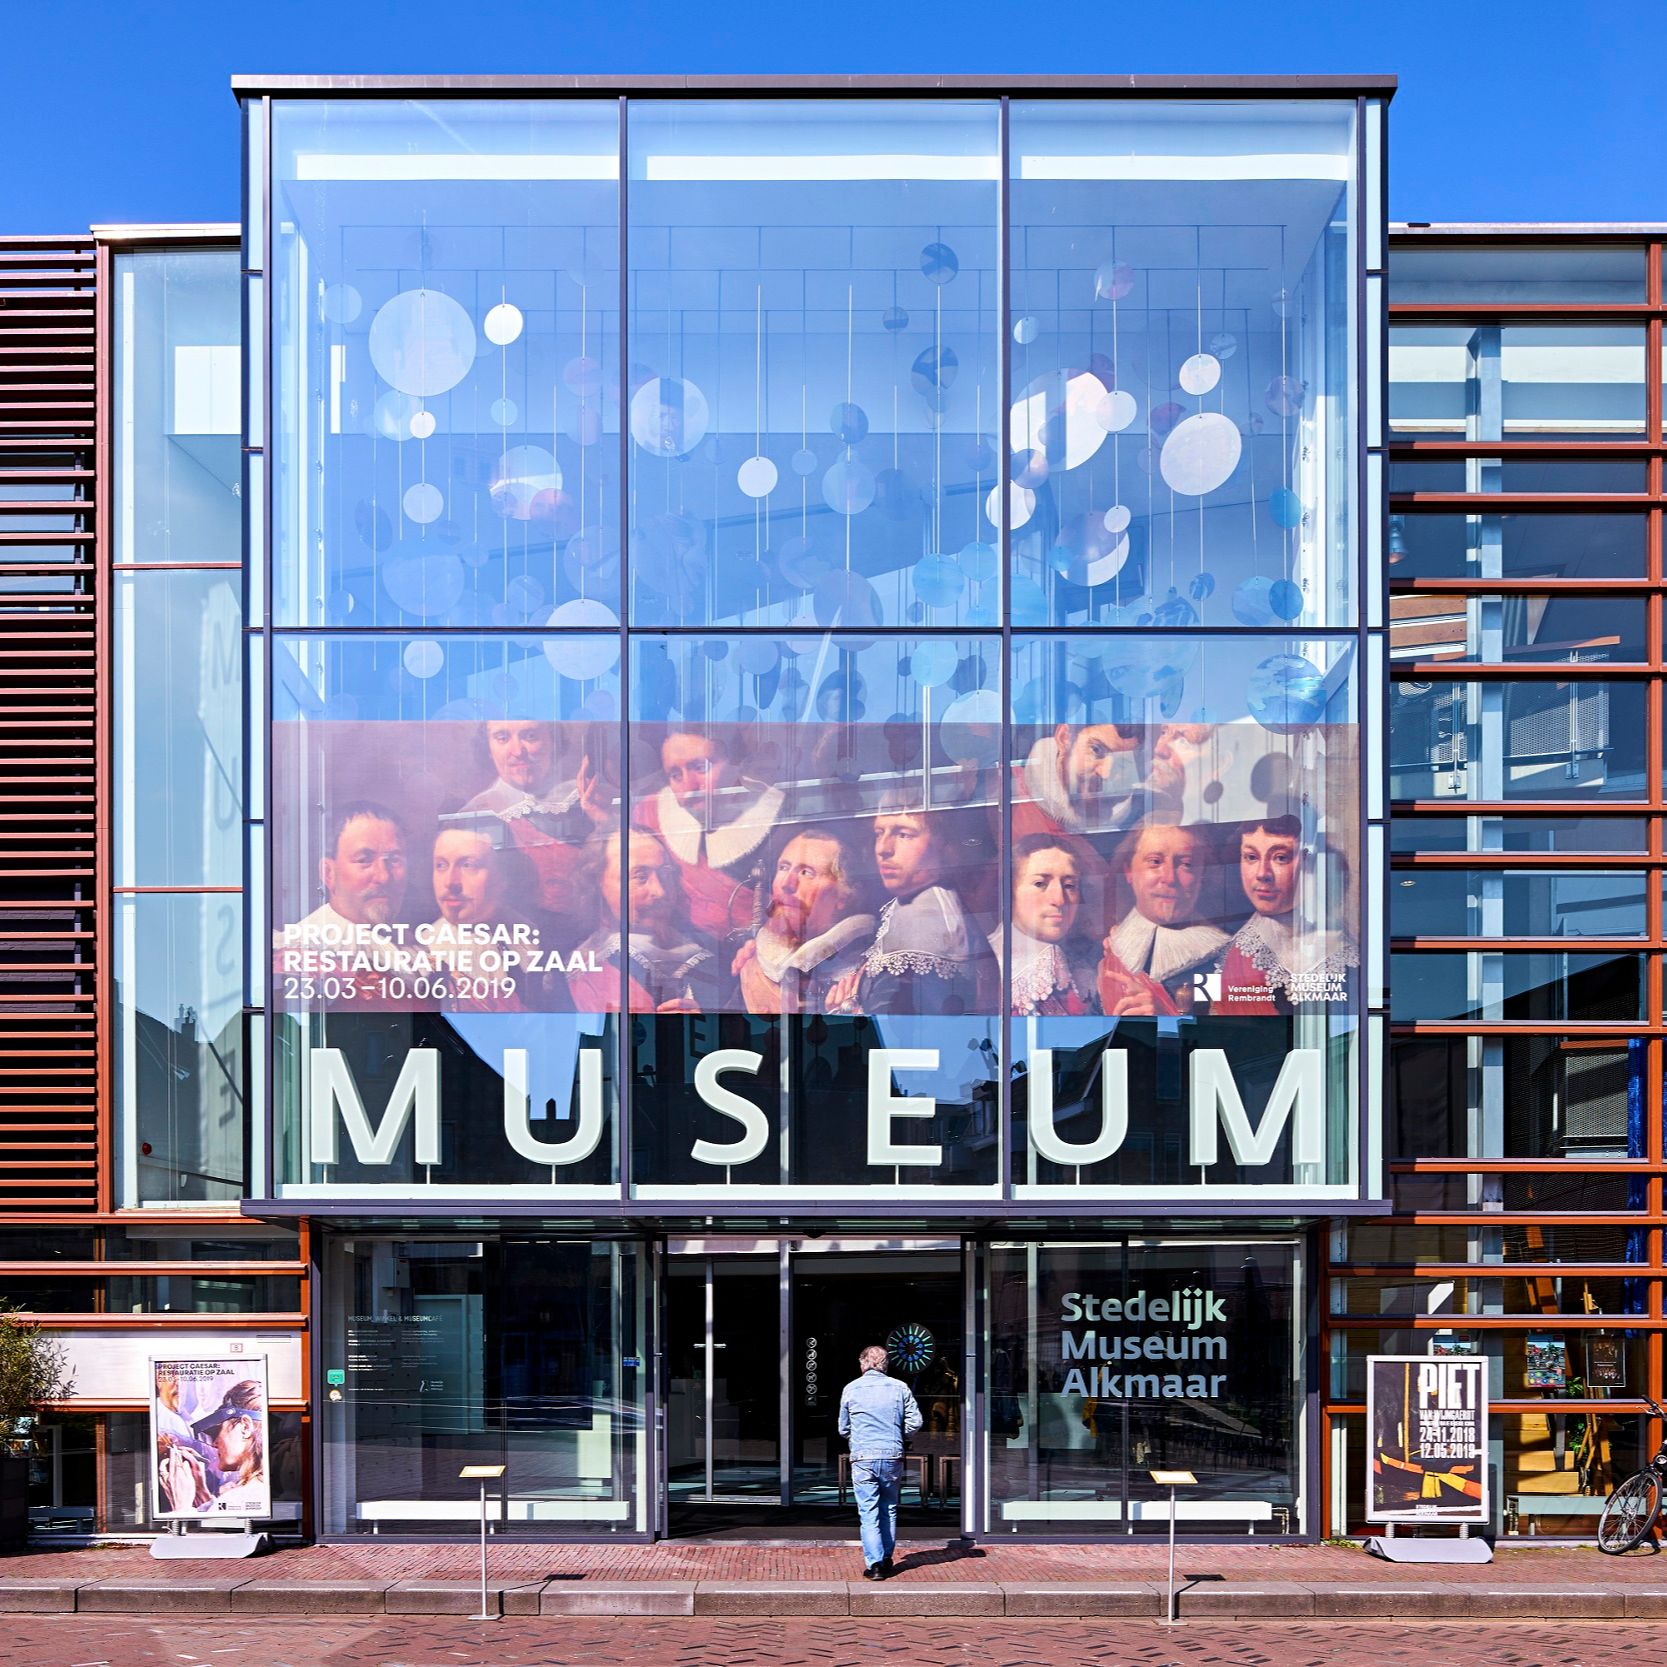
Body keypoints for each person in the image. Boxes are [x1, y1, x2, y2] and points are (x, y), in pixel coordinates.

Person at [828, 806, 996, 1017]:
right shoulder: (913, 904)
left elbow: (903, 1031)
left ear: (944, 846)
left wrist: (846, 1010)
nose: (883, 848)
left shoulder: (925, 912)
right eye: (879, 833)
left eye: (904, 834)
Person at [632, 729, 783, 944]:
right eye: (675, 775)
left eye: (701, 768)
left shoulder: (783, 822)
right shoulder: (649, 815)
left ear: (736, 763)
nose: (689, 787)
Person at [463, 718, 608, 939]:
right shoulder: (473, 816)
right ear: (488, 748)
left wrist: (604, 822)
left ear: (553, 740)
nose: (517, 751)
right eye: (502, 738)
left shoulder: (588, 798)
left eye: (530, 736)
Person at [564, 829, 730, 1013]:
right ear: (597, 884)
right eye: (640, 877)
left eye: (665, 874)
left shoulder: (713, 951)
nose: (660, 891)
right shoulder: (590, 965)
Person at [1217, 815, 1359, 1012]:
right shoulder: (1236, 953)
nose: (1262, 873)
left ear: (1310, 866)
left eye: (1280, 858)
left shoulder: (1341, 952)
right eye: (1251, 857)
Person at [733, 826, 876, 1015]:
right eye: (783, 868)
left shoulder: (867, 970)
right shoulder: (753, 961)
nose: (787, 884)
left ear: (845, 896)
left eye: (807, 873)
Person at [1096, 823, 1229, 1016]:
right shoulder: (1113, 946)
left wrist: (1166, 1015)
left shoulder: (1216, 959)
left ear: (1202, 876)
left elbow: (1215, 1033)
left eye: (1186, 864)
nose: (1169, 878)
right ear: (1129, 871)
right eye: (1155, 862)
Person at [423, 817, 545, 1011]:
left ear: (503, 875)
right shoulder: (424, 951)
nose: (450, 882)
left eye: (468, 865)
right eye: (441, 865)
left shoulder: (532, 939)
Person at [837, 1344, 923, 1581]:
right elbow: (915, 1422)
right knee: (889, 1507)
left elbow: (843, 1428)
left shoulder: (851, 1389)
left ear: (863, 1363)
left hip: (863, 1457)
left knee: (868, 1510)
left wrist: (858, 1438)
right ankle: (886, 1558)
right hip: (891, 1455)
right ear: (885, 1364)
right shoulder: (899, 1387)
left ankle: (875, 1564)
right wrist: (898, 1436)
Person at [995, 834, 1099, 1017]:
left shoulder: (1087, 964)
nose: (1059, 900)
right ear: (1010, 889)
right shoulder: (989, 963)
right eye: (1040, 884)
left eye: (1069, 885)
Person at [277, 801, 408, 943]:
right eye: (364, 860)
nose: (384, 877)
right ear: (329, 873)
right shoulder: (301, 951)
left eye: (394, 860)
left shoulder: (418, 947)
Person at [158, 1379, 266, 1515]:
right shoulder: (259, 1491)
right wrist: (202, 1496)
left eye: (217, 1431)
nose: (214, 1443)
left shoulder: (241, 1496)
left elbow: (215, 1536)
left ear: (245, 1427)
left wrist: (181, 1508)